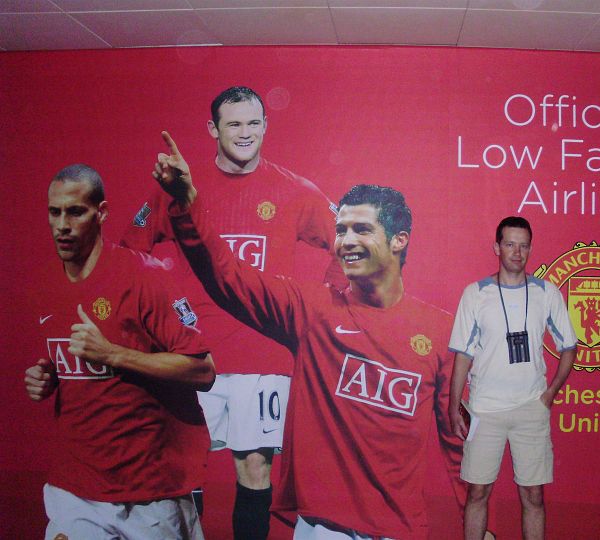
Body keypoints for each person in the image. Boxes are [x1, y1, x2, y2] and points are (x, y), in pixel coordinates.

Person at [149, 131, 464, 539]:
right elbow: (227, 276)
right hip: (321, 528)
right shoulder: (312, 310)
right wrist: (186, 203)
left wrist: (480, 522)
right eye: (341, 229)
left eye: (362, 229)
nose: (346, 241)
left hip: (400, 530)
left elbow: (459, 440)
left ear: (399, 241)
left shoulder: (440, 331)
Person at [121, 86, 344, 539]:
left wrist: (322, 302)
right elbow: (128, 253)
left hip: (262, 357)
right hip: (192, 355)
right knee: (183, 470)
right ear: (213, 129)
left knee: (255, 468)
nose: (246, 133)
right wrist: (163, 309)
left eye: (254, 123)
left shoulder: (294, 190)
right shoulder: (180, 188)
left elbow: (350, 241)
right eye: (234, 124)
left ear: (266, 126)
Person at [25, 164, 215, 540]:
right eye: (54, 212)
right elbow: (74, 367)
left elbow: (203, 371)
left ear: (102, 213)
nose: (62, 225)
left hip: (152, 491)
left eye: (75, 212)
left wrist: (113, 354)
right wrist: (45, 379)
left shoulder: (145, 276)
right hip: (76, 486)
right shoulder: (45, 284)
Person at [448, 216, 577, 540]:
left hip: (531, 409)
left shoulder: (546, 293)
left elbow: (569, 347)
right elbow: (463, 355)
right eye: (510, 244)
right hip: (484, 409)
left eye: (523, 246)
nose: (517, 253)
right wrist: (454, 406)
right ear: (497, 248)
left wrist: (549, 395)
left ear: (530, 249)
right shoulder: (476, 294)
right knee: (477, 493)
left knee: (533, 496)